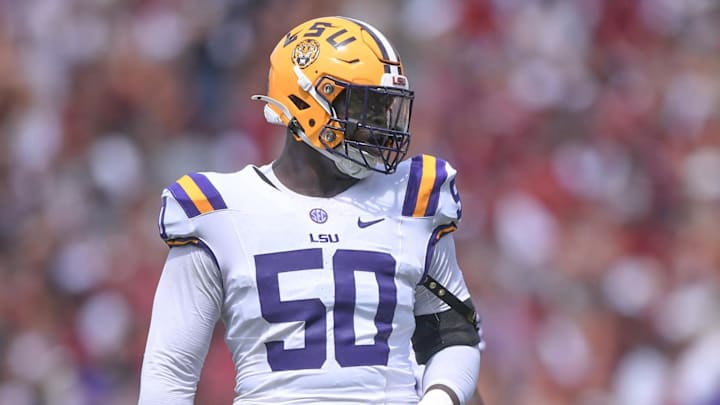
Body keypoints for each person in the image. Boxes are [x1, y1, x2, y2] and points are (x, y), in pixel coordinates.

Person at [139, 16, 483, 405]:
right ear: (307, 102)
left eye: (386, 108)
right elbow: (170, 369)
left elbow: (454, 334)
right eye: (366, 107)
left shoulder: (411, 198)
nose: (382, 127)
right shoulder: (219, 209)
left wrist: (439, 398)